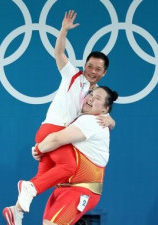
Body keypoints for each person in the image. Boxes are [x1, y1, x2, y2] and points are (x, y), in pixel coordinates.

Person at [3, 10, 113, 225]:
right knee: (68, 169)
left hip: (59, 136)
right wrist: (63, 30)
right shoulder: (73, 75)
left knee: (44, 175)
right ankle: (29, 188)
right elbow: (59, 53)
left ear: (104, 73)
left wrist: (111, 121)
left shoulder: (97, 95)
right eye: (90, 66)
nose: (92, 71)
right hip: (55, 130)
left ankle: (16, 211)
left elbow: (105, 117)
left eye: (97, 69)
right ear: (85, 65)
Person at [36, 86, 118, 225]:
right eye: (90, 94)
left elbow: (55, 139)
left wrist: (39, 149)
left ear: (105, 109)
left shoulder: (93, 121)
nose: (91, 98)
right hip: (65, 188)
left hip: (79, 190)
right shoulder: (83, 118)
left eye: (97, 98)